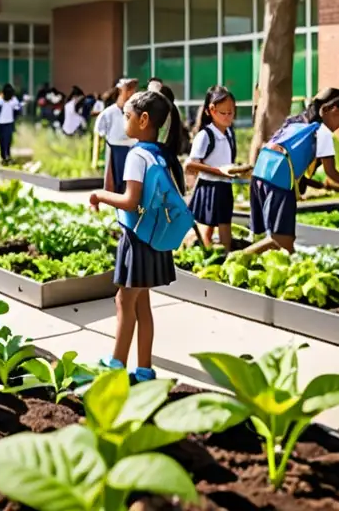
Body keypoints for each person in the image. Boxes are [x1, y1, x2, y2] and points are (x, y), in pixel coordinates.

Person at [89, 90, 182, 383]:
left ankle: (115, 364)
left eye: (126, 116)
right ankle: (144, 369)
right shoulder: (161, 154)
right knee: (142, 304)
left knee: (123, 301)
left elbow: (130, 200)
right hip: (155, 238)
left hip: (138, 237)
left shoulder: (137, 155)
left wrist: (99, 195)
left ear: (143, 120)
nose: (124, 121)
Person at [249, 88, 339, 253]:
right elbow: (331, 172)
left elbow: (293, 163)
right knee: (281, 242)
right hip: (279, 179)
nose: (338, 127)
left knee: (277, 241)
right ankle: (236, 258)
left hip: (260, 173)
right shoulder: (323, 132)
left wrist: (325, 187)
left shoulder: (295, 122)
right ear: (330, 110)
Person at [185, 86, 239, 248]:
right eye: (224, 113)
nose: (228, 117)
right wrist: (219, 172)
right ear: (211, 110)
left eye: (231, 112)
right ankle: (216, 253)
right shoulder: (205, 135)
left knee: (223, 222)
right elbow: (190, 164)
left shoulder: (229, 133)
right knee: (211, 227)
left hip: (225, 185)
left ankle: (218, 252)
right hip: (209, 186)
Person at [95, 78, 139, 194]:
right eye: (128, 90)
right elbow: (100, 131)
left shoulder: (136, 112)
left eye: (132, 91)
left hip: (132, 148)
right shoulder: (108, 112)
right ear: (120, 91)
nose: (131, 94)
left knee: (130, 180)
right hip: (115, 149)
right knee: (116, 181)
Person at [0, 83, 21, 164]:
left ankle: (7, 156)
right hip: (2, 123)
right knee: (3, 140)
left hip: (9, 122)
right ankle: (4, 157)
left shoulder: (13, 100)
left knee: (8, 140)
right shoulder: (0, 100)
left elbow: (17, 109)